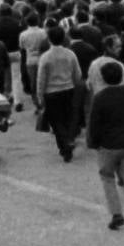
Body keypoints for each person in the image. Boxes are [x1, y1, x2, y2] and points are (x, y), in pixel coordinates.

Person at [86, 61, 124, 232]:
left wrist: (94, 143)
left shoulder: (100, 98)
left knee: (107, 178)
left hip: (108, 145)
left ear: (103, 78)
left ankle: (116, 214)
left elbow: (94, 124)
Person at [37, 25, 83, 162]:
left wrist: (40, 96)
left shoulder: (45, 57)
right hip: (68, 90)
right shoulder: (70, 54)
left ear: (49, 39)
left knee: (56, 122)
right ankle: (69, 140)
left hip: (51, 93)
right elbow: (78, 74)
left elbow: (41, 79)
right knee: (67, 118)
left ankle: (64, 146)